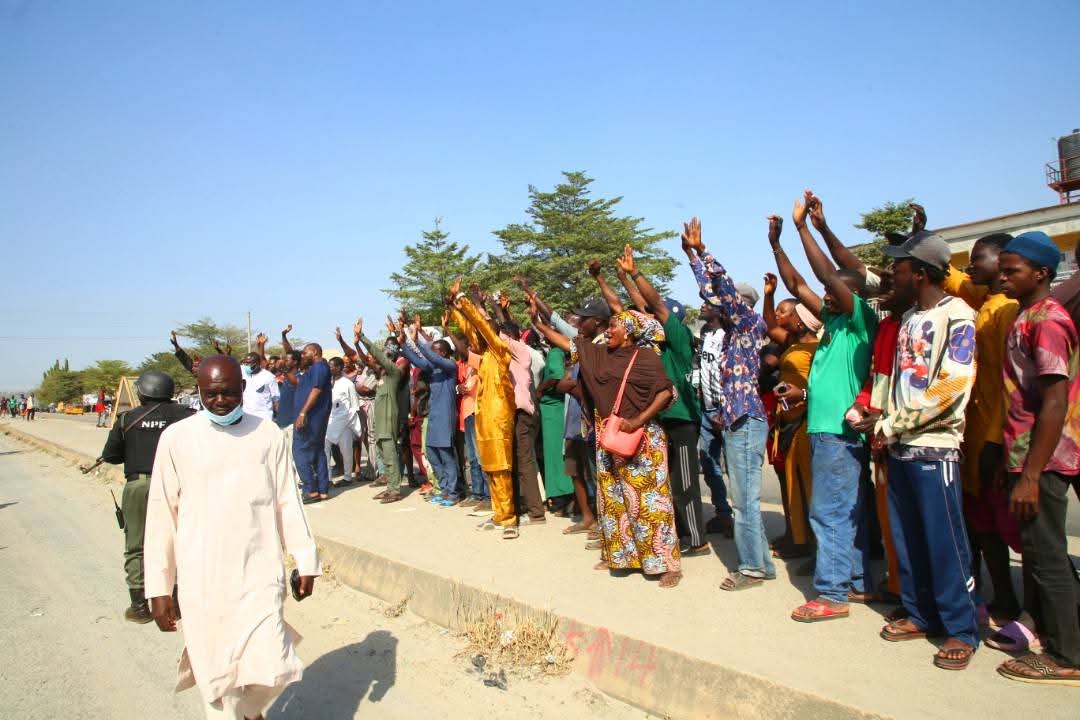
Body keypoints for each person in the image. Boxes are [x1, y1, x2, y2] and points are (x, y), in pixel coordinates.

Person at [144, 355, 320, 719]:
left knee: (272, 663)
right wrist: (159, 587)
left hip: (259, 571)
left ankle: (246, 712)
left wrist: (306, 560)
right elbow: (161, 515)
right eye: (211, 394)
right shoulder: (177, 439)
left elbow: (289, 501)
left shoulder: (268, 433)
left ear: (243, 388)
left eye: (227, 393)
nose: (220, 401)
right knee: (215, 672)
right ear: (199, 392)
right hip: (202, 577)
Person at [873, 231, 980, 671]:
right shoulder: (912, 316)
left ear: (919, 272)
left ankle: (961, 628)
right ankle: (921, 614)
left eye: (898, 268)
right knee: (908, 539)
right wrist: (879, 422)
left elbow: (953, 385)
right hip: (900, 445)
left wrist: (892, 423)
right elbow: (900, 379)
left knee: (944, 543)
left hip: (935, 448)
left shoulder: (959, 316)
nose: (891, 275)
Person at [772, 193, 878, 622]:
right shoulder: (834, 322)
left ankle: (831, 594)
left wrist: (806, 229)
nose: (824, 296)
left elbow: (827, 276)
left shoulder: (860, 319)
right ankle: (853, 581)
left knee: (829, 510)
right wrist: (778, 244)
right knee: (845, 507)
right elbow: (798, 285)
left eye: (833, 292)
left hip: (839, 429)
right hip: (825, 428)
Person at [533, 307, 682, 587]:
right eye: (609, 326)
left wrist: (638, 419)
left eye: (615, 327)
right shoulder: (599, 354)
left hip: (643, 439)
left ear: (630, 334)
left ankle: (666, 564)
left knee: (650, 503)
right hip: (608, 436)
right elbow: (569, 343)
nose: (608, 331)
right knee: (614, 501)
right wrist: (539, 325)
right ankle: (622, 558)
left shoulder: (647, 357)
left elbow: (664, 392)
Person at [995, 231, 1080, 685]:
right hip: (1024, 453)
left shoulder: (1048, 319)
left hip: (1041, 458)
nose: (1003, 277)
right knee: (1042, 554)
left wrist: (1030, 474)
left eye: (1013, 270)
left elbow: (1053, 402)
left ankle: (1068, 658)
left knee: (1047, 557)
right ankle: (1053, 633)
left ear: (1041, 273)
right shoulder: (1025, 314)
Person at [683, 217, 773, 590]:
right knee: (743, 497)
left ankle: (751, 568)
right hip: (736, 418)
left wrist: (705, 252)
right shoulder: (733, 329)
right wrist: (691, 257)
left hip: (747, 419)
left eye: (726, 301)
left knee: (744, 499)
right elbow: (712, 292)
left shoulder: (749, 324)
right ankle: (761, 563)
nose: (715, 305)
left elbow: (724, 292)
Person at [941, 232, 1023, 626]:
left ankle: (1026, 607)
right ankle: (997, 597)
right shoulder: (985, 302)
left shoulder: (1007, 310)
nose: (971, 266)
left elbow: (1012, 385)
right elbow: (954, 279)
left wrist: (994, 439)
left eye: (980, 259)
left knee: (1011, 531)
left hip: (998, 436)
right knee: (981, 527)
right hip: (974, 435)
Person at [616, 244, 711, 557]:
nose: (650, 320)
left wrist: (636, 273)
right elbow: (643, 309)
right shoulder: (654, 345)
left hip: (682, 421)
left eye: (657, 317)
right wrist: (625, 279)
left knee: (685, 484)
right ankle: (680, 532)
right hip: (661, 422)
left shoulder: (679, 339)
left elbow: (654, 304)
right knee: (666, 482)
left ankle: (697, 540)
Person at [97, 370, 194, 623]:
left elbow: (111, 456)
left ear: (142, 392)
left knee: (137, 545)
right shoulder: (186, 415)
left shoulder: (127, 418)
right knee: (179, 541)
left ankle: (140, 606)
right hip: (179, 485)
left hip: (140, 485)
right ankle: (176, 600)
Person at [449, 279, 520, 539]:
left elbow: (481, 327)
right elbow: (471, 331)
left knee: (501, 466)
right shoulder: (483, 357)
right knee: (489, 466)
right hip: (483, 417)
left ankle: (510, 518)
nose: (478, 337)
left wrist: (466, 300)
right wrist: (455, 309)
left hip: (499, 416)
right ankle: (499, 514)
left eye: (484, 334)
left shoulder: (501, 351)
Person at [762, 274, 820, 559]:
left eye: (787, 311)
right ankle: (798, 539)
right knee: (793, 484)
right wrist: (769, 294)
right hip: (785, 420)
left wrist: (804, 396)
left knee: (809, 486)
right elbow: (770, 325)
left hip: (805, 420)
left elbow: (819, 387)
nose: (780, 316)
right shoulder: (792, 343)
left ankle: (816, 546)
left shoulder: (818, 347)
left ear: (801, 317)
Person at [401, 319, 461, 506]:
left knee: (446, 454)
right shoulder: (433, 369)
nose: (432, 355)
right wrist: (403, 342)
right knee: (433, 454)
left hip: (445, 417)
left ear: (443, 353)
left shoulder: (451, 367)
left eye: (436, 351)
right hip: (433, 416)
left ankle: (453, 493)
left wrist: (418, 338)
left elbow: (429, 356)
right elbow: (416, 359)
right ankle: (443, 490)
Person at [356, 318, 407, 504]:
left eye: (382, 358)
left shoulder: (393, 372)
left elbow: (376, 355)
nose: (375, 362)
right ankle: (389, 486)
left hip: (388, 419)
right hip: (380, 421)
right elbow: (369, 360)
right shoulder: (380, 378)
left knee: (390, 452)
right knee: (383, 453)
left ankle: (395, 489)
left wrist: (362, 337)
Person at [697, 302, 735, 537]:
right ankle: (723, 513)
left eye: (708, 303)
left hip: (726, 411)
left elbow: (731, 375)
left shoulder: (728, 337)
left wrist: (725, 408)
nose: (702, 306)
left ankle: (742, 520)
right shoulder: (706, 335)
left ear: (720, 310)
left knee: (734, 467)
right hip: (707, 410)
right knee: (710, 465)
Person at [293, 343, 332, 503]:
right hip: (315, 417)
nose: (302, 355)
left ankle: (310, 490)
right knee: (317, 451)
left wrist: (303, 412)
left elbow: (316, 390)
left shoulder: (319, 368)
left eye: (305, 352)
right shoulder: (314, 369)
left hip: (311, 418)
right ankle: (322, 490)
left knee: (299, 451)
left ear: (314, 352)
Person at [325, 356, 361, 486]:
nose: (329, 369)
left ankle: (347, 478)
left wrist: (351, 425)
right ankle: (327, 479)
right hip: (329, 422)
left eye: (331, 366)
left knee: (346, 452)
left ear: (339, 368)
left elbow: (354, 406)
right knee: (325, 450)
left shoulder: (348, 384)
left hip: (344, 423)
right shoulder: (327, 383)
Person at [239, 351, 280, 422]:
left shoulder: (269, 377)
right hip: (245, 416)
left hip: (264, 417)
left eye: (249, 363)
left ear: (257, 364)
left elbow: (276, 399)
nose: (246, 365)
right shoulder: (241, 372)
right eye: (245, 363)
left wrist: (278, 417)